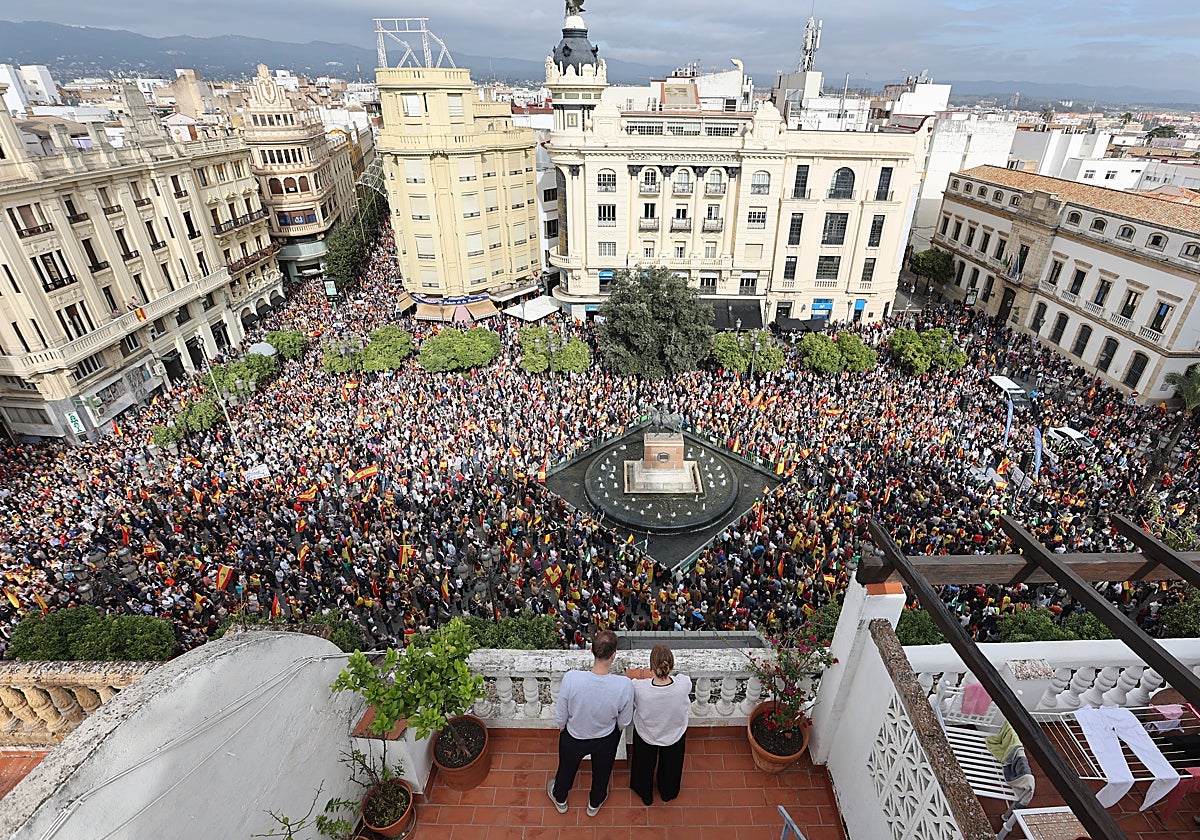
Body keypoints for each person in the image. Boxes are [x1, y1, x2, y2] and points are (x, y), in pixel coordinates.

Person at [548, 628, 633, 817]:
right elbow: (624, 721)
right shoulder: (624, 685)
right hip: (605, 738)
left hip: (574, 735)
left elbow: (561, 716)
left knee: (566, 769)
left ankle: (560, 797)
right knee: (602, 773)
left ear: (591, 650)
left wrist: (564, 729)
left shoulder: (572, 678)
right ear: (614, 655)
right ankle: (595, 802)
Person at [628, 644, 691, 805]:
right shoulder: (683, 685)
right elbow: (683, 679)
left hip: (647, 734)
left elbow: (631, 682)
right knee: (672, 767)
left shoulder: (639, 688)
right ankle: (667, 793)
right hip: (674, 734)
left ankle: (645, 794)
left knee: (643, 765)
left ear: (652, 666)